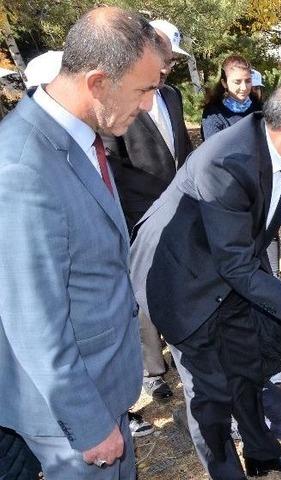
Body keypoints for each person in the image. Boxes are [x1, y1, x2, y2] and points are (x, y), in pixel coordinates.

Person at [129, 79, 281, 479]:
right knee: (210, 396)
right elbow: (236, 266)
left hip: (230, 270)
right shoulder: (227, 161)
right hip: (181, 281)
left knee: (245, 366)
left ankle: (262, 453)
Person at [0, 7, 167, 478]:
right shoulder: (22, 166)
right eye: (145, 89)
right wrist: (89, 425)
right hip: (71, 417)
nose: (151, 104)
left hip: (105, 386)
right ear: (97, 82)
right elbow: (33, 321)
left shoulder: (77, 138)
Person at [103, 18, 194, 404]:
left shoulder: (171, 96)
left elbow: (183, 150)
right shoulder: (119, 99)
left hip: (181, 209)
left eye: (172, 61)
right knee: (144, 291)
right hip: (140, 215)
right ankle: (153, 370)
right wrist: (150, 208)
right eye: (164, 59)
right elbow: (111, 162)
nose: (166, 67)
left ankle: (185, 350)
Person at [200, 54, 261, 141]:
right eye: (237, 82)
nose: (244, 87)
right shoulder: (213, 114)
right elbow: (214, 150)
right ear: (224, 83)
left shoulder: (259, 107)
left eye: (248, 81)